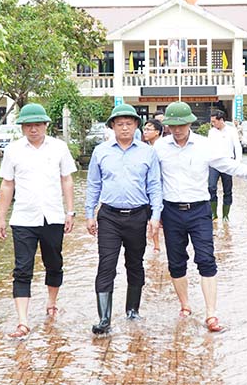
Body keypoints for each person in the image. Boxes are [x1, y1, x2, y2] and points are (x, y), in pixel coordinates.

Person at [154, 101, 247, 333]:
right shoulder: (159, 148)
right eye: (173, 125)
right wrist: (155, 212)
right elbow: (151, 181)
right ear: (167, 126)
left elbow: (227, 165)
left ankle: (211, 314)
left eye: (182, 125)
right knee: (176, 262)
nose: (178, 130)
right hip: (171, 212)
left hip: (199, 211)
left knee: (206, 259)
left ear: (191, 123)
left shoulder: (204, 145)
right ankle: (185, 306)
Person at [0, 103, 76, 339]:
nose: (33, 130)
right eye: (28, 126)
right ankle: (22, 321)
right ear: (22, 128)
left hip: (52, 216)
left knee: (54, 263)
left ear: (45, 125)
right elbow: (7, 184)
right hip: (23, 218)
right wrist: (1, 218)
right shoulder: (13, 150)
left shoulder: (59, 148)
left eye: (38, 125)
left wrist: (70, 212)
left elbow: (67, 180)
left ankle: (51, 302)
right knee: (22, 268)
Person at [85, 104, 163, 335]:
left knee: (135, 263)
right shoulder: (101, 151)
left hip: (138, 215)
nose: (125, 128)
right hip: (109, 216)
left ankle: (132, 309)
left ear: (136, 125)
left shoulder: (147, 152)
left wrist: (155, 216)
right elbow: (93, 185)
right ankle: (104, 318)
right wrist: (90, 214)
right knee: (106, 264)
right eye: (120, 124)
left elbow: (155, 186)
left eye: (129, 123)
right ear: (112, 127)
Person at [207, 110, 242, 221]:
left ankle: (226, 215)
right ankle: (213, 213)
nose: (213, 124)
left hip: (228, 163)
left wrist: (237, 162)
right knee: (211, 187)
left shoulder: (232, 131)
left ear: (221, 120)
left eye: (214, 121)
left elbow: (237, 146)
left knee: (228, 189)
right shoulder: (211, 132)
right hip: (214, 163)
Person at [142, 119, 165, 251]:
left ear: (157, 132)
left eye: (149, 129)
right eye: (144, 129)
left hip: (162, 188)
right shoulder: (147, 148)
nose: (145, 132)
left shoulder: (160, 147)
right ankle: (156, 246)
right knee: (152, 217)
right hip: (149, 189)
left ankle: (160, 246)